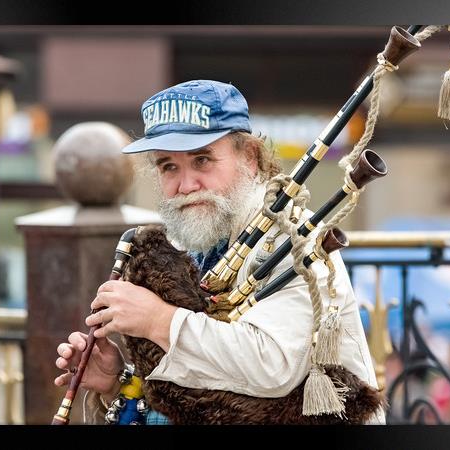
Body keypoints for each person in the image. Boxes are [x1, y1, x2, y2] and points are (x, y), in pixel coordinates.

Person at [54, 79, 385, 424]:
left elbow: (273, 366)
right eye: (169, 166)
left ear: (251, 158)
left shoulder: (292, 238)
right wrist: (115, 383)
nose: (185, 186)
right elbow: (186, 398)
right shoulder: (183, 243)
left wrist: (159, 321)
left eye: (202, 160)